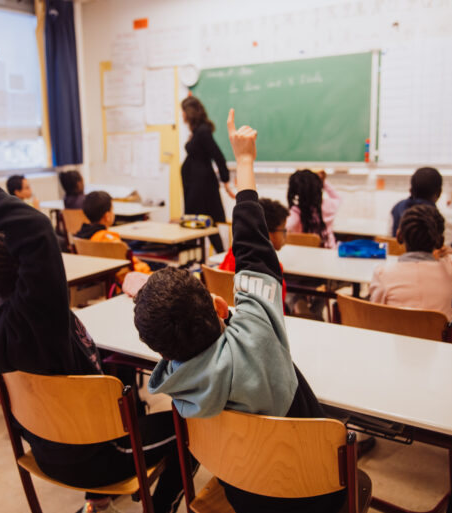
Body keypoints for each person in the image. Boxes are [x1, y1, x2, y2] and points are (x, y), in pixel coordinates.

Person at [0, 165, 183, 513]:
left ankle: (96, 504)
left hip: (45, 448)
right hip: (99, 455)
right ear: (32, 268)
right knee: (190, 421)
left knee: (111, 372)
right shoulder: (41, 316)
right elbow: (34, 227)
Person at [134, 109, 344, 513]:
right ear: (219, 304)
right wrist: (244, 160)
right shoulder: (258, 336)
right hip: (317, 494)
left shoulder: (178, 389)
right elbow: (253, 248)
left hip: (244, 494)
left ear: (161, 351)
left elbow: (250, 252)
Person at [370, 204, 452, 346]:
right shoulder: (450, 269)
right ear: (440, 241)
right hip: (445, 351)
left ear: (399, 236)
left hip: (397, 349)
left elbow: (376, 319)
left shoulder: (382, 275)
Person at [180, 96, 234, 254]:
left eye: (183, 111)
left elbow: (218, 156)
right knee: (199, 223)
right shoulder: (198, 131)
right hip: (196, 185)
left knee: (202, 223)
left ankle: (218, 258)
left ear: (189, 112)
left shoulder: (203, 131)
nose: (182, 114)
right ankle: (197, 261)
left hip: (201, 187)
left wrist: (225, 181)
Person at [218, 197, 289, 305]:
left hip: (230, 311)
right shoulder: (273, 268)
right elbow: (278, 308)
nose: (285, 235)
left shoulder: (232, 253)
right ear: (268, 232)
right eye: (283, 230)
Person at [74, 191, 151, 275]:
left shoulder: (80, 238)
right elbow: (133, 268)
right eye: (112, 210)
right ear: (107, 216)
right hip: (127, 279)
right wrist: (146, 267)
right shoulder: (111, 241)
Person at [285, 169, 341, 249]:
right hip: (328, 251)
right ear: (318, 186)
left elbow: (285, 229)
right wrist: (323, 181)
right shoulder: (328, 206)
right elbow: (337, 198)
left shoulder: (295, 213)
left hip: (301, 252)